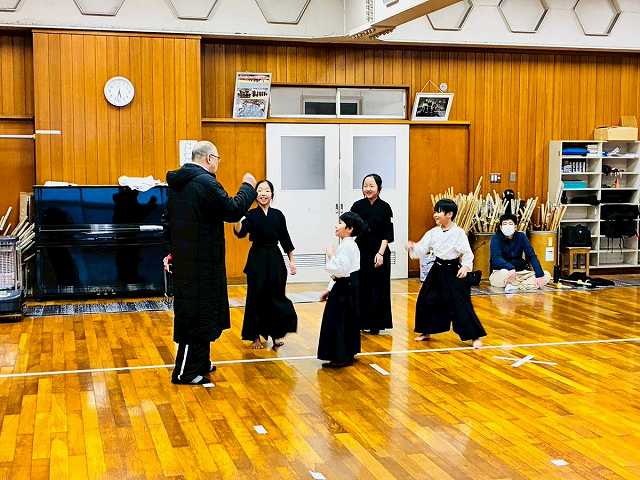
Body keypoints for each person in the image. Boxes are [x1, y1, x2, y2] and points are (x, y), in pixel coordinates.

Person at [164, 140, 257, 385]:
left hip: (193, 261)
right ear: (208, 159)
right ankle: (184, 372)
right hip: (200, 264)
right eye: (217, 159)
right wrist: (248, 187)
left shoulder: (178, 184)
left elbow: (168, 221)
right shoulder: (205, 182)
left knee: (202, 313)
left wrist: (171, 251)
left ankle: (201, 363)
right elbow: (233, 210)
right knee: (193, 317)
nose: (218, 163)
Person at [408, 199, 486, 348]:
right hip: (437, 269)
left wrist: (465, 267)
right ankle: (426, 331)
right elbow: (422, 248)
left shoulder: (459, 233)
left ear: (449, 214)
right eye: (435, 211)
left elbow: (467, 253)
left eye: (439, 212)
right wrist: (413, 247)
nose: (435, 215)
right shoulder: (433, 232)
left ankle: (474, 336)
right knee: (426, 299)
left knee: (460, 304)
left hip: (453, 270)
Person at [233, 179, 298, 350]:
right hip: (257, 259)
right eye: (260, 190)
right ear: (255, 195)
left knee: (276, 297)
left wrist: (292, 261)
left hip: (275, 259)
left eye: (267, 190)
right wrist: (238, 219)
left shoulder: (278, 215)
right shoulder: (251, 214)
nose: (263, 193)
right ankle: (255, 336)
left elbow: (285, 238)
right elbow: (240, 232)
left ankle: (276, 335)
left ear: (272, 195)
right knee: (256, 297)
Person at [317, 211, 364, 368]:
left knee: (339, 320)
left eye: (340, 223)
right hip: (347, 285)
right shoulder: (348, 244)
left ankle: (341, 356)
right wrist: (329, 289)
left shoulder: (348, 246)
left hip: (345, 287)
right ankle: (347, 352)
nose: (336, 226)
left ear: (349, 229)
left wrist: (331, 255)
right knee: (346, 320)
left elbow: (341, 270)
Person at [350, 174, 394, 335]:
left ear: (379, 188)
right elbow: (350, 229)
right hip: (360, 251)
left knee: (378, 288)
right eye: (365, 185)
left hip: (379, 251)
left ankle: (376, 324)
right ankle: (360, 322)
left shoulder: (385, 207)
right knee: (360, 286)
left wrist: (380, 253)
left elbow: (387, 234)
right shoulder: (357, 206)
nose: (367, 189)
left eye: (371, 186)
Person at [489, 213, 551, 291]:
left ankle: (515, 286)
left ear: (515, 227)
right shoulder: (495, 238)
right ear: (501, 227)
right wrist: (510, 268)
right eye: (505, 224)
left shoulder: (521, 236)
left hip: (520, 273)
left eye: (510, 223)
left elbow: (531, 256)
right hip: (501, 272)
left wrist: (539, 275)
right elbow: (496, 258)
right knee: (504, 273)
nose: (507, 226)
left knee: (546, 275)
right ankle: (525, 285)